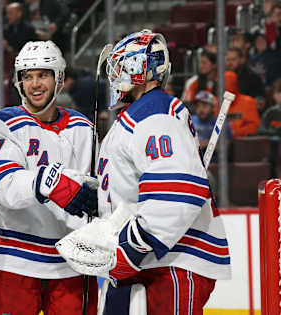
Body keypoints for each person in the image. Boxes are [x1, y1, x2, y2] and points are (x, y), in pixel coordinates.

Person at [56, 30, 231, 314]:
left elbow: (180, 192)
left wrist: (133, 246)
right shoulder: (140, 114)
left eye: (121, 64)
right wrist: (94, 195)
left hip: (171, 259)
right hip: (149, 260)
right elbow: (135, 186)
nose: (115, 73)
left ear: (141, 68)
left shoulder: (156, 112)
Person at [0, 40, 99, 315]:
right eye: (27, 76)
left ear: (59, 79)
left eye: (43, 75)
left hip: (71, 260)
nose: (34, 84)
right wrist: (57, 183)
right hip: (13, 259)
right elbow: (4, 184)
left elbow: (100, 190)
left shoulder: (84, 129)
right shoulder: (1, 124)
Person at [192, 90, 232, 161]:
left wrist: (207, 144)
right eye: (198, 106)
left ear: (213, 107)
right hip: (192, 162)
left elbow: (226, 151)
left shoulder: (221, 123)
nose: (200, 109)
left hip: (214, 163)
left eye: (204, 106)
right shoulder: (189, 121)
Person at [224, 71, 260, 138]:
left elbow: (254, 126)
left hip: (241, 142)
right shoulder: (216, 102)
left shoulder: (248, 102)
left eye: (230, 84)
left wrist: (235, 132)